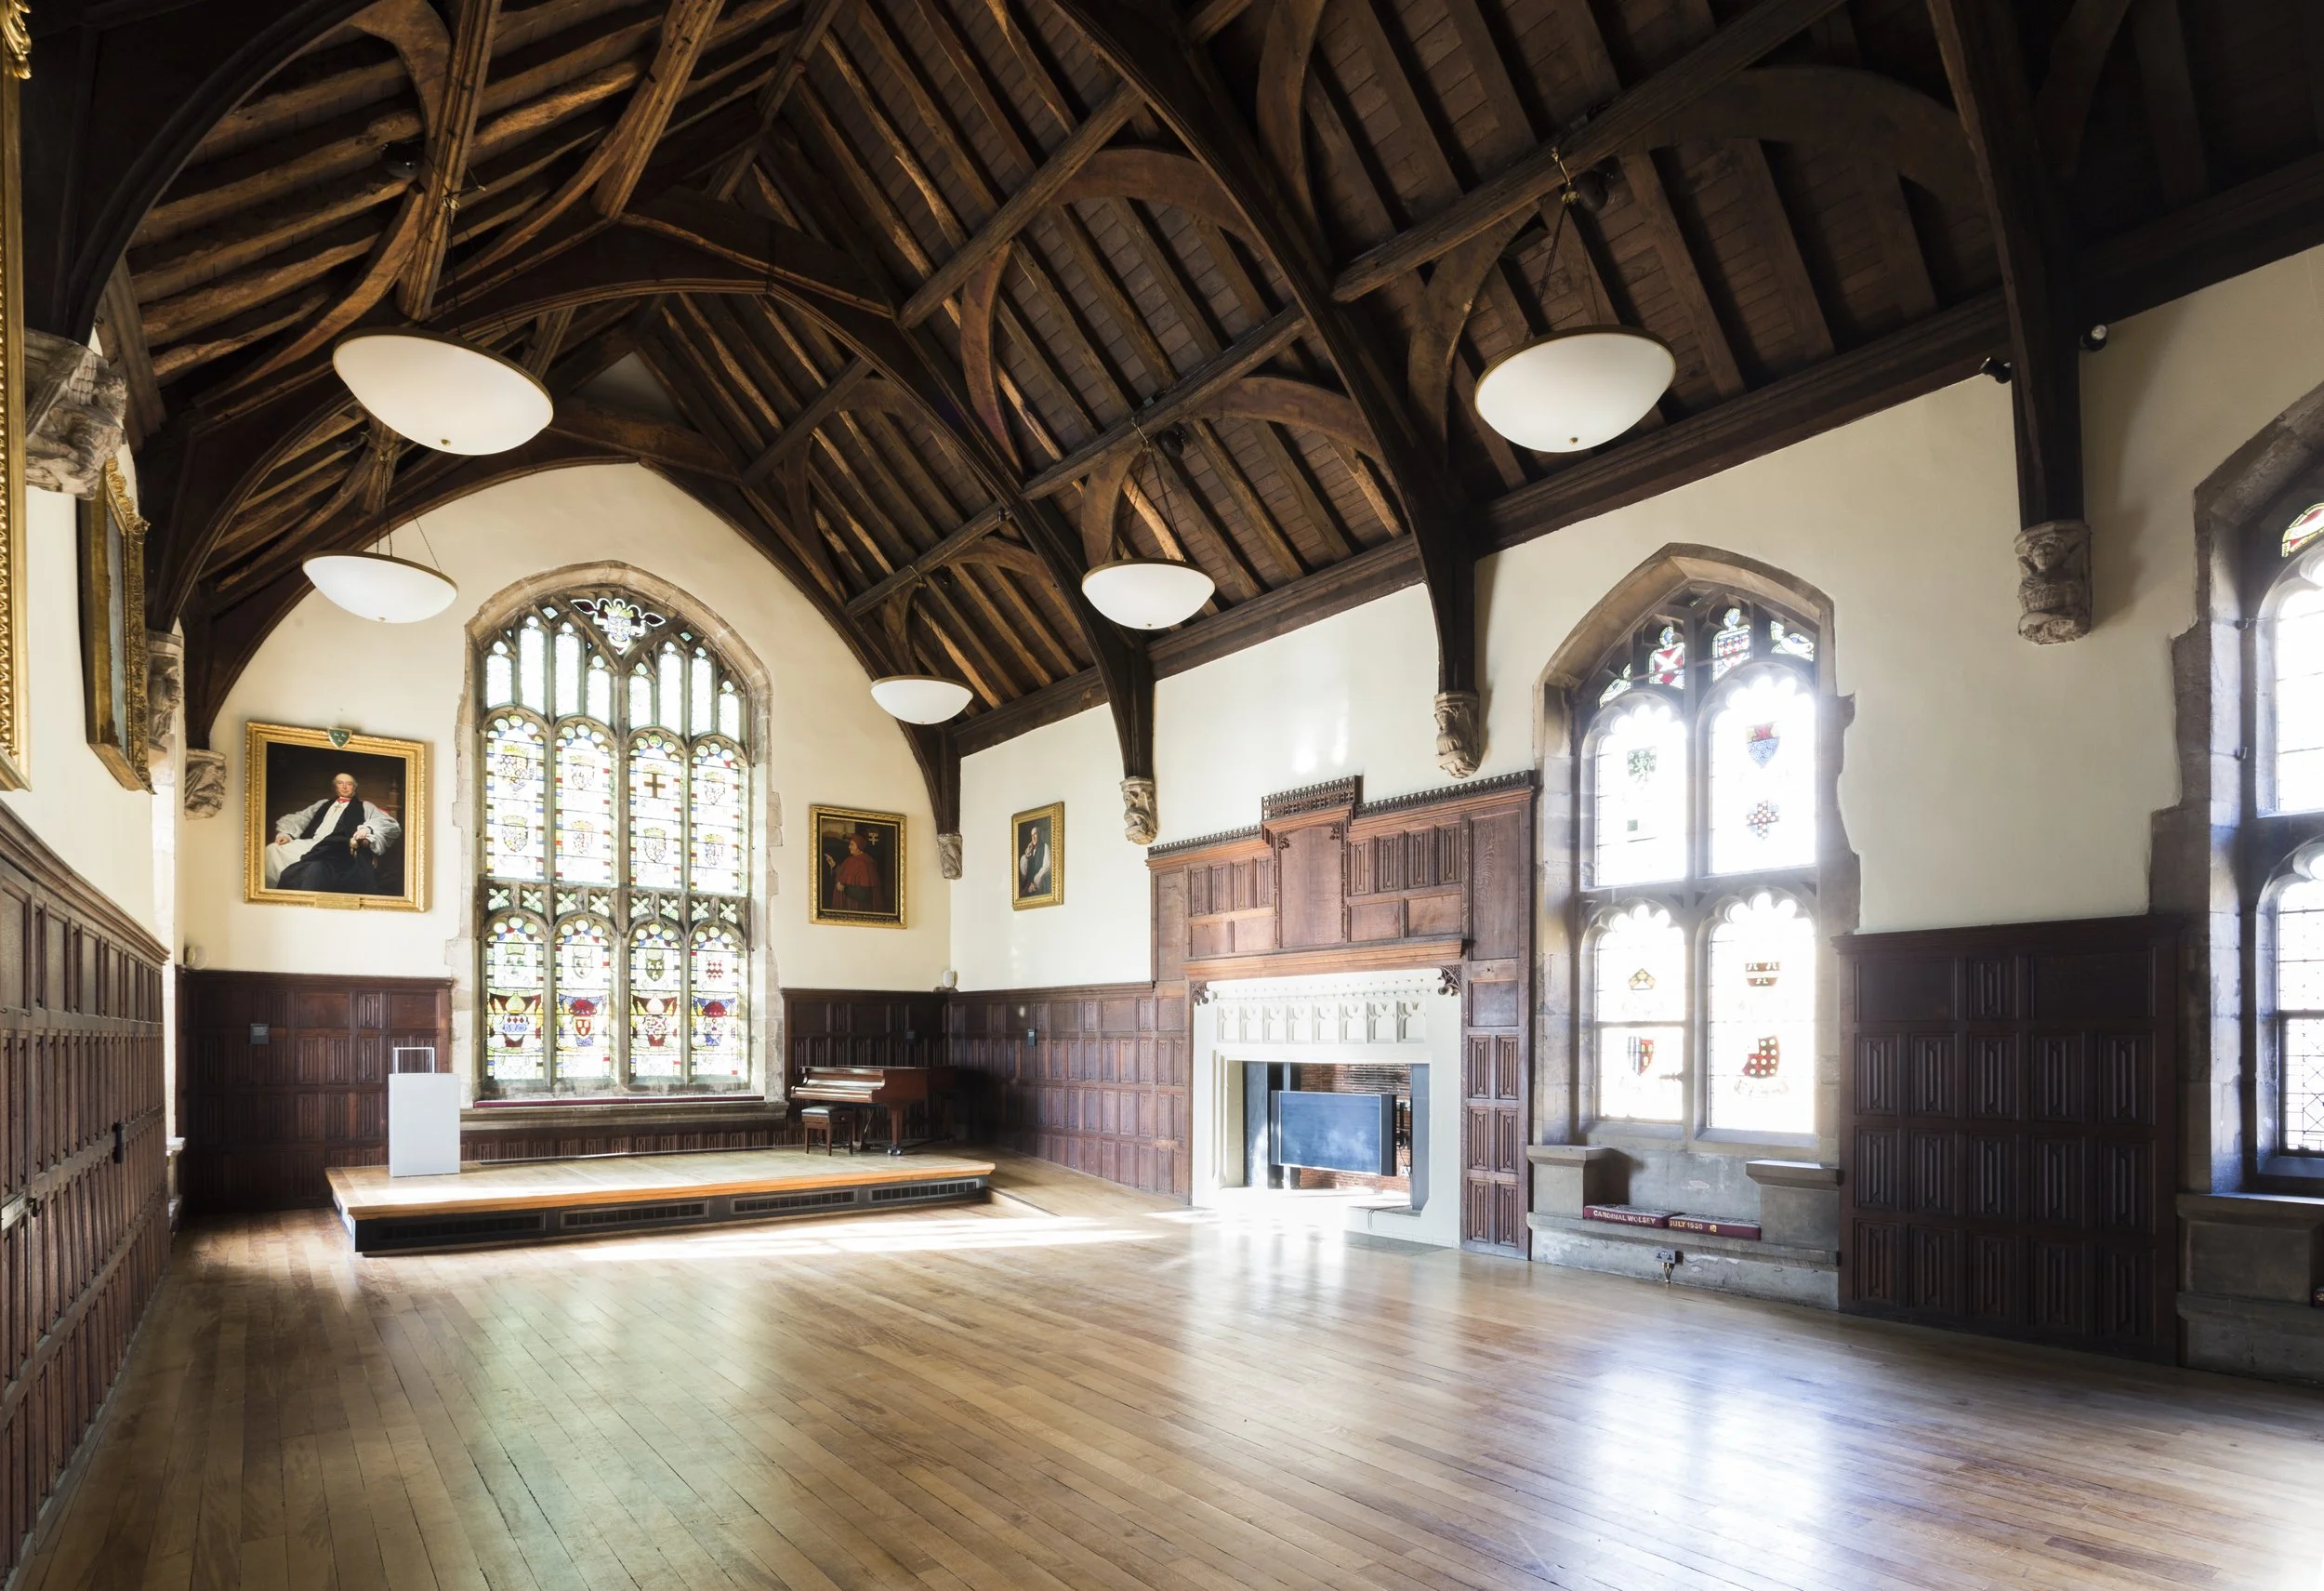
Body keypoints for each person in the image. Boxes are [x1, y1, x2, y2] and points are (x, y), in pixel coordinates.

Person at [270, 771, 401, 895]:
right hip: (311, 844)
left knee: (318, 866)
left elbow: (387, 823)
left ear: (354, 788)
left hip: (338, 847)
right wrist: (286, 833)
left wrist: (366, 830)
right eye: (340, 783)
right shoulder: (323, 804)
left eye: (349, 784)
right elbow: (301, 818)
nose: (344, 787)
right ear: (335, 787)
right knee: (273, 849)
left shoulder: (365, 806)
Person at [830, 829, 885, 914]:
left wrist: (845, 889)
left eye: (852, 844)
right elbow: (846, 876)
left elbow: (863, 895)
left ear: (858, 846)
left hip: (856, 906)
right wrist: (834, 866)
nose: (849, 847)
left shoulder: (863, 863)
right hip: (847, 904)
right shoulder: (850, 860)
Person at [1017, 820, 1050, 898]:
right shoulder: (1030, 849)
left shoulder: (1045, 847)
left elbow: (1046, 867)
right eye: (1032, 835)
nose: (1033, 837)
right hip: (1028, 887)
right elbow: (1023, 874)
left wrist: (1035, 883)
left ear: (1040, 834)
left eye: (1035, 834)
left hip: (1039, 888)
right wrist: (1026, 856)